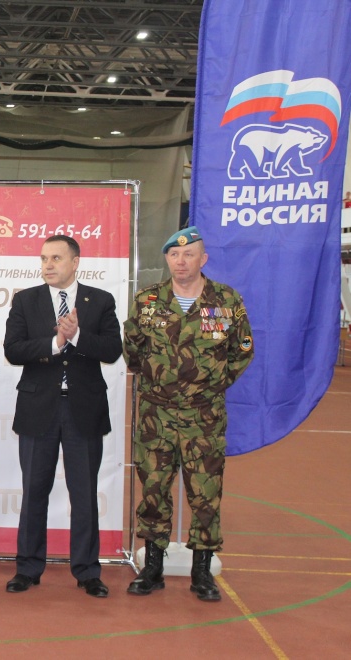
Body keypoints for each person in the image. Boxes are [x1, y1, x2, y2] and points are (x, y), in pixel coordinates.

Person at [124, 226, 254, 602]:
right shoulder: (147, 300)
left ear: (203, 259)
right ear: (167, 259)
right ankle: (153, 568)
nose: (180, 262)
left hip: (204, 417)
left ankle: (202, 571)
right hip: (157, 416)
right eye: (174, 255)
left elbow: (243, 350)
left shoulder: (226, 300)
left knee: (205, 494)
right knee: (153, 491)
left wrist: (210, 385)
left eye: (188, 255)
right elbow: (132, 350)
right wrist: (161, 384)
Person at [3, 235, 122, 598]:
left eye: (56, 258)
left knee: (84, 494)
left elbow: (112, 350)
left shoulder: (100, 300)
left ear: (75, 262)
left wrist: (78, 335)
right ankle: (28, 568)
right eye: (44, 259)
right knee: (34, 491)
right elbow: (13, 350)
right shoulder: (26, 299)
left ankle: (87, 571)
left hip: (83, 410)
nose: (48, 265)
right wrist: (55, 344)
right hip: (38, 409)